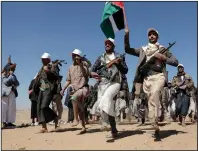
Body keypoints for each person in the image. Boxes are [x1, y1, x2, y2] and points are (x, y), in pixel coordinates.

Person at [124, 27, 178, 137]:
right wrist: (127, 35)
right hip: (146, 79)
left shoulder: (163, 48)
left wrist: (163, 58)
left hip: (159, 76)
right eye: (150, 34)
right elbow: (127, 50)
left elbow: (175, 62)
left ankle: (153, 121)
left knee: (154, 95)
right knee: (150, 101)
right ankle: (155, 124)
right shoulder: (143, 49)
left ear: (157, 37)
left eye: (154, 34)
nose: (151, 36)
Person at [90, 38, 128, 138]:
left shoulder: (118, 56)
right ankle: (114, 130)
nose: (107, 45)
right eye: (106, 43)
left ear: (113, 46)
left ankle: (105, 123)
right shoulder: (100, 57)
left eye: (109, 43)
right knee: (106, 105)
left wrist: (116, 63)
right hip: (102, 84)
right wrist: (93, 74)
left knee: (106, 99)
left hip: (115, 83)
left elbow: (125, 70)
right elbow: (92, 70)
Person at [61, 49, 90, 134]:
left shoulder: (85, 64)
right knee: (80, 109)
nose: (74, 57)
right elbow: (68, 80)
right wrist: (63, 89)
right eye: (73, 55)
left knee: (74, 98)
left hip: (84, 88)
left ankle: (75, 119)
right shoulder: (70, 67)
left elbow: (85, 74)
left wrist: (80, 64)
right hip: (75, 90)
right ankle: (83, 127)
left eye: (75, 55)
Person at [34, 52, 60, 133]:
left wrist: (48, 71)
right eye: (42, 59)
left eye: (44, 59)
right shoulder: (42, 68)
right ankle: (44, 127)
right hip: (41, 89)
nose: (42, 61)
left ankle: (55, 118)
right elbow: (38, 78)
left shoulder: (53, 65)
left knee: (44, 106)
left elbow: (56, 76)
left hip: (49, 89)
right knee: (39, 107)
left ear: (48, 59)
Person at [1, 63, 19, 128]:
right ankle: (4, 122)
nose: (14, 70)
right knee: (4, 107)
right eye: (13, 69)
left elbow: (17, 83)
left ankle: (9, 122)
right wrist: (11, 76)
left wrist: (15, 83)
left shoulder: (13, 75)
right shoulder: (3, 75)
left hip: (12, 92)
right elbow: (6, 82)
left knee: (12, 108)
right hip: (5, 93)